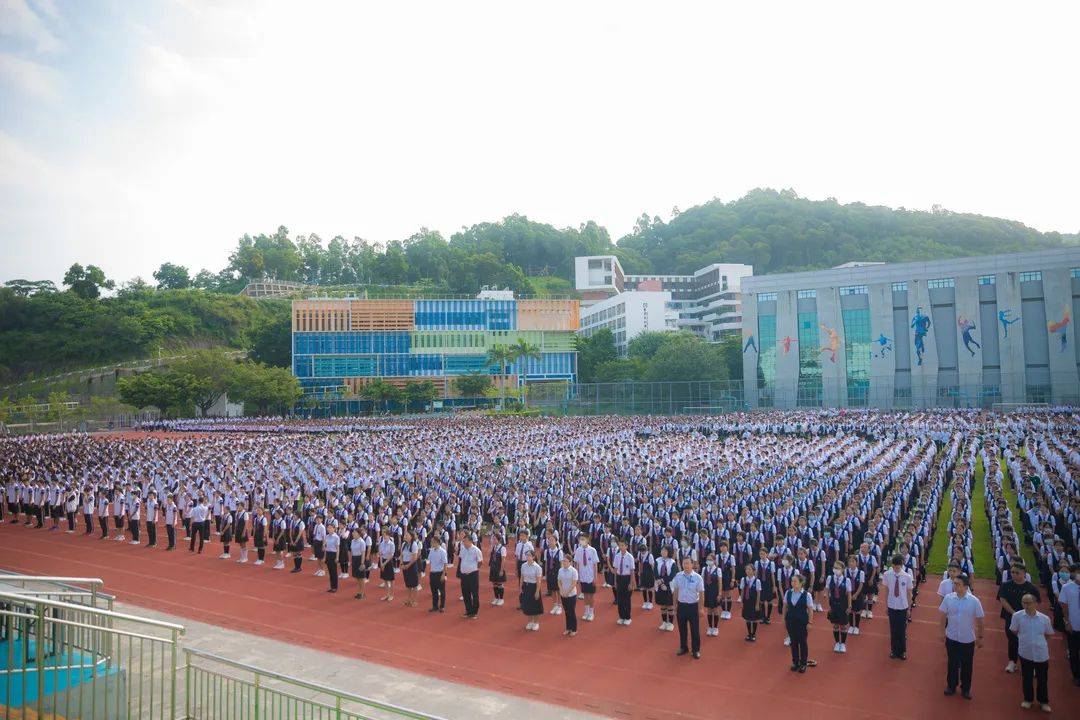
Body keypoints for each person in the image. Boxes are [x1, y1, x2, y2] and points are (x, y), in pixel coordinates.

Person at [940, 574, 985, 699]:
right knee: (952, 663)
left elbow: (980, 619)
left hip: (967, 639)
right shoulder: (948, 598)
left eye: (958, 584)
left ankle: (966, 689)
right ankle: (951, 686)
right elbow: (943, 616)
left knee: (967, 665)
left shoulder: (974, 601)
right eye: (954, 583)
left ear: (966, 586)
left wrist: (980, 637)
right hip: (952, 637)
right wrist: (941, 633)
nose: (955, 586)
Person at [1010, 593, 1054, 712]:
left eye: (1028, 603)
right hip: (1025, 652)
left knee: (1042, 679)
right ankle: (1028, 699)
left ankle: (1043, 701)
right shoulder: (1017, 616)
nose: (1026, 605)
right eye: (1023, 602)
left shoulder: (1044, 619)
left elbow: (1049, 634)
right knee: (1027, 677)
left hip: (1041, 653)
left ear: (1035, 603)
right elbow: (1014, 630)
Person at [997, 563, 1041, 673]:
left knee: (1028, 640)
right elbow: (1002, 599)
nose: (1014, 574)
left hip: (1027, 618)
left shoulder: (1031, 588)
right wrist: (1014, 613)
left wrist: (1025, 613)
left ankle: (1031, 664)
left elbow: (1036, 603)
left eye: (1017, 572)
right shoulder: (1006, 585)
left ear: (1024, 573)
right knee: (1012, 640)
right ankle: (1012, 662)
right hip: (1011, 617)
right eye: (1012, 572)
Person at [670, 556, 704, 658]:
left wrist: (701, 608)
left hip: (693, 606)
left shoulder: (698, 577)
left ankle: (696, 650)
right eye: (684, 563)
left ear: (692, 564)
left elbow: (701, 593)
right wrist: (674, 605)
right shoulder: (678, 576)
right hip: (681, 606)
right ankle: (683, 647)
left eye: (688, 563)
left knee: (695, 630)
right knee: (682, 628)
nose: (686, 565)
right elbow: (675, 591)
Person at [882, 554, 913, 660]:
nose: (896, 569)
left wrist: (909, 608)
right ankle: (894, 650)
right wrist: (886, 605)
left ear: (902, 565)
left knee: (902, 630)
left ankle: (903, 651)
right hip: (891, 605)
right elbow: (886, 591)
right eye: (894, 567)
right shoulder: (887, 575)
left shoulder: (907, 576)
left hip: (902, 606)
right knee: (893, 629)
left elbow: (909, 593)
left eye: (898, 568)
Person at [782, 573, 813, 672]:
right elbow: (785, 606)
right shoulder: (788, 592)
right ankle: (795, 662)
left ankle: (803, 663)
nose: (792, 583)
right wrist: (784, 619)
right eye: (792, 581)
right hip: (790, 621)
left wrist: (810, 622)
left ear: (801, 583)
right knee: (793, 642)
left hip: (802, 622)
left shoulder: (807, 595)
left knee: (802, 642)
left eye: (795, 581)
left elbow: (810, 609)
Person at [1058, 563, 1080, 686]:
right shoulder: (1067, 588)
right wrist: (1067, 622)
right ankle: (1076, 675)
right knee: (1074, 652)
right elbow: (1064, 607)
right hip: (1074, 625)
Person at [825, 560, 851, 653]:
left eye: (838, 568)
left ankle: (843, 643)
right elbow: (827, 592)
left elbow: (849, 594)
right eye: (834, 567)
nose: (835, 570)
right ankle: (837, 642)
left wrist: (849, 606)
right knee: (835, 624)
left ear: (843, 569)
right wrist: (828, 604)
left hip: (843, 604)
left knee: (843, 625)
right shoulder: (829, 578)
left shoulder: (846, 580)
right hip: (833, 604)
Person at [573, 533, 600, 622]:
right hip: (582, 576)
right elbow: (576, 564)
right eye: (581, 539)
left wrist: (595, 577)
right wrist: (577, 577)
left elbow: (595, 565)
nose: (582, 541)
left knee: (590, 595)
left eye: (584, 539)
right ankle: (586, 611)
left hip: (590, 576)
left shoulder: (593, 550)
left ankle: (591, 612)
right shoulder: (578, 550)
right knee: (584, 595)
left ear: (587, 540)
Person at [458, 534, 483, 619]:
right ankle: (468, 610)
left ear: (470, 541)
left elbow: (480, 562)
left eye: (465, 541)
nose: (464, 542)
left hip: (473, 574)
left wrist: (473, 569)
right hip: (464, 575)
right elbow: (461, 558)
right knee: (465, 593)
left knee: (474, 593)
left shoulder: (476, 550)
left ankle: (474, 612)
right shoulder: (462, 549)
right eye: (463, 541)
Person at [612, 538, 635, 626]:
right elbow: (615, 569)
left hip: (627, 578)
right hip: (619, 578)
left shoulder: (630, 557)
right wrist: (615, 581)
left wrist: (631, 582)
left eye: (623, 545)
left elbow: (632, 571)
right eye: (620, 545)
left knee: (627, 599)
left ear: (626, 546)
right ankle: (621, 616)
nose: (621, 547)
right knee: (620, 599)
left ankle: (628, 617)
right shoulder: (617, 556)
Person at [519, 549, 544, 631]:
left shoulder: (537, 567)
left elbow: (538, 580)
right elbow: (522, 577)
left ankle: (536, 622)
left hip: (534, 587)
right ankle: (530, 621)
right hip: (526, 586)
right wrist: (520, 587)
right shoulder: (523, 565)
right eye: (527, 555)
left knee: (535, 605)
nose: (527, 557)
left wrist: (537, 591)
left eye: (529, 555)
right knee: (528, 604)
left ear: (533, 557)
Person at [557, 554, 579, 636]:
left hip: (571, 595)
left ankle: (574, 629)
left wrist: (567, 592)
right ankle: (568, 628)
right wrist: (561, 590)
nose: (564, 562)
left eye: (565, 561)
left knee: (571, 611)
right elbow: (559, 581)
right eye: (563, 561)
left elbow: (574, 584)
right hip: (563, 594)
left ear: (570, 562)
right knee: (566, 611)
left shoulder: (574, 571)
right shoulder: (560, 570)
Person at [739, 562, 762, 642]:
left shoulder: (757, 581)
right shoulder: (743, 579)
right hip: (746, 601)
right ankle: (749, 633)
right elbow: (742, 591)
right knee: (747, 618)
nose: (748, 571)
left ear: (754, 571)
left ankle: (753, 634)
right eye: (746, 569)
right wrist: (741, 601)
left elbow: (758, 593)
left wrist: (757, 604)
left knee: (754, 618)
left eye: (749, 569)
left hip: (754, 601)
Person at [427, 535, 448, 612]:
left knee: (442, 591)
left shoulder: (443, 551)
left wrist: (443, 574)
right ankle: (435, 606)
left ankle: (442, 606)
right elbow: (428, 560)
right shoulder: (431, 550)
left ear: (438, 542)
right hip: (432, 573)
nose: (432, 543)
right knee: (434, 591)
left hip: (440, 573)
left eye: (433, 542)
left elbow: (445, 564)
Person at [400, 530, 421, 606]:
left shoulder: (414, 544)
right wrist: (401, 563)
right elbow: (401, 555)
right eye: (405, 535)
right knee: (408, 584)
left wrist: (408, 565)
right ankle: (408, 599)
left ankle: (414, 600)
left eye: (407, 535)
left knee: (414, 584)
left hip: (412, 565)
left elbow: (414, 558)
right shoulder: (403, 544)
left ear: (411, 537)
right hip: (405, 564)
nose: (405, 536)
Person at [350, 527, 370, 600]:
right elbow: (352, 551)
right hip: (354, 559)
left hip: (360, 559)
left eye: (354, 532)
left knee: (361, 578)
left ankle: (362, 593)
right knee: (357, 577)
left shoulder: (362, 542)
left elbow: (363, 553)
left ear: (358, 534)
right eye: (353, 532)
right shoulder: (352, 541)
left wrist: (362, 563)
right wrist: (351, 560)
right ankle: (359, 592)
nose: (353, 533)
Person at [323, 520, 340, 593]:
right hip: (328, 554)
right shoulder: (326, 536)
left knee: (334, 572)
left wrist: (337, 557)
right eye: (328, 528)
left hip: (333, 554)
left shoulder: (336, 537)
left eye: (330, 528)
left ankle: (335, 587)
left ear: (334, 529)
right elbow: (325, 547)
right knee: (330, 571)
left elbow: (337, 548)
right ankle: (331, 586)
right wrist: (325, 557)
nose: (329, 529)